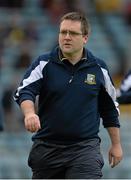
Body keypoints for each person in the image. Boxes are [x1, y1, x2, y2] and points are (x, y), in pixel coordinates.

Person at [14, 12, 123, 179]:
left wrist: (116, 144)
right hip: (46, 149)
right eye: (63, 32)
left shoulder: (99, 68)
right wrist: (29, 113)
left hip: (84, 149)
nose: (66, 37)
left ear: (85, 38)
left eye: (72, 33)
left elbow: (109, 109)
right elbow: (25, 91)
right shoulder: (43, 63)